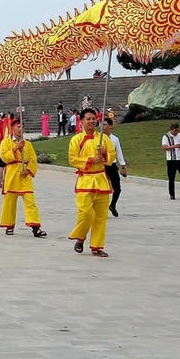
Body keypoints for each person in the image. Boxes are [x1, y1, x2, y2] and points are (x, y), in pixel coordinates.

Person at [68, 108, 114, 257]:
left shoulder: (104, 139)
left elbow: (112, 156)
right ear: (81, 121)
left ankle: (97, 246)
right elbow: (72, 159)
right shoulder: (76, 139)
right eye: (88, 119)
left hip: (100, 179)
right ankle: (80, 237)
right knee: (86, 213)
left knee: (101, 216)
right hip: (85, 180)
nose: (92, 121)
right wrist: (90, 160)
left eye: (94, 118)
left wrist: (104, 155)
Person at [0, 120, 47, 237]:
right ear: (12, 129)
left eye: (22, 127)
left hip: (24, 175)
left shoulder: (28, 144)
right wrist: (15, 149)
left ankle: (36, 227)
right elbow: (4, 157)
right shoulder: (6, 142)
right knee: (9, 201)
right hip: (12, 173)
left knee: (30, 200)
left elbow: (32, 159)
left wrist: (29, 170)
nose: (20, 129)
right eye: (18, 127)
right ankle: (9, 225)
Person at [103, 119, 126, 218]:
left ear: (111, 126)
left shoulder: (115, 139)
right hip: (101, 166)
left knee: (117, 189)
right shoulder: (97, 138)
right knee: (103, 189)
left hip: (111, 165)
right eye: (102, 124)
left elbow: (119, 153)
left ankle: (112, 205)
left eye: (105, 124)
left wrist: (123, 165)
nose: (103, 126)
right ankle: (101, 210)